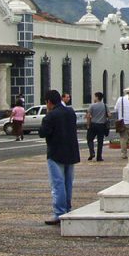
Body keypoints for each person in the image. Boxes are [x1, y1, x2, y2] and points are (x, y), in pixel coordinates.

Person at [39, 90, 80, 225]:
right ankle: (67, 208)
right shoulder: (70, 112)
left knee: (57, 184)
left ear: (49, 102)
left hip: (56, 152)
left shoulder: (50, 116)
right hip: (71, 151)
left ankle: (59, 212)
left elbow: (43, 132)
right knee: (68, 182)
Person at [86, 92, 109, 162]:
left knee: (89, 139)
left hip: (93, 124)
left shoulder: (92, 106)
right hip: (102, 125)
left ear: (97, 97)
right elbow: (109, 114)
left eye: (94, 97)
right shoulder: (105, 106)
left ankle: (92, 152)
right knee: (100, 142)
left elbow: (88, 116)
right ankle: (99, 157)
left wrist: (88, 124)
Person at [114, 92, 129, 159]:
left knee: (123, 138)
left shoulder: (121, 99)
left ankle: (124, 154)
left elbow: (116, 109)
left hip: (122, 122)